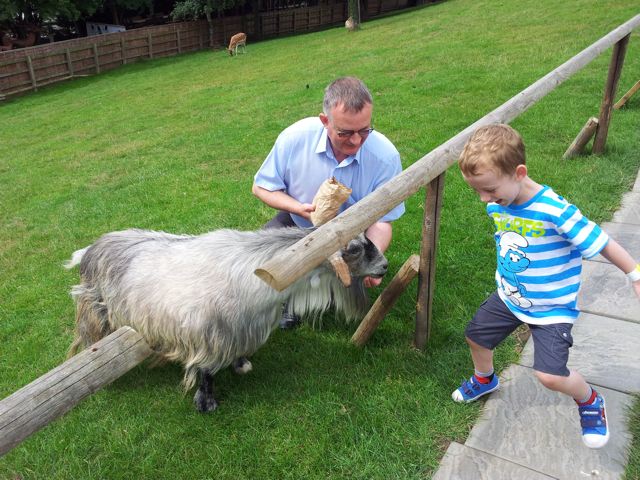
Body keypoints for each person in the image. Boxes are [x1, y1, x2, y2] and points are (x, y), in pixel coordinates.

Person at [453, 123, 640, 449]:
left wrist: (634, 273)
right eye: (477, 191)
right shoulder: (500, 202)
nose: (484, 199)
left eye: (490, 190)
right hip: (511, 296)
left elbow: (602, 241)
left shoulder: (555, 211)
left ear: (519, 172)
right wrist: (496, 198)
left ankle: (590, 399)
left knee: (551, 376)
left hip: (552, 307)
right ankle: (485, 380)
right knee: (476, 337)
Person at [252, 76, 405, 328]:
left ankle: (329, 291)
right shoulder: (295, 138)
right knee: (263, 260)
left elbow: (382, 221)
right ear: (325, 121)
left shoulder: (385, 157)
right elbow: (261, 187)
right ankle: (289, 302)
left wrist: (371, 257)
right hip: (299, 222)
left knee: (344, 285)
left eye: (364, 130)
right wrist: (296, 207)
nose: (356, 141)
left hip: (353, 236)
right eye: (345, 132)